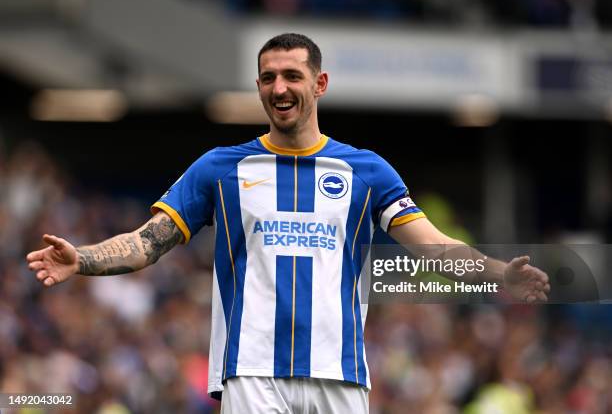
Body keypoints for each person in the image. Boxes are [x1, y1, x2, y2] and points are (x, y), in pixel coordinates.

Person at [26, 33, 550, 413]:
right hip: (251, 372)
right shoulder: (221, 167)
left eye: (292, 75)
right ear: (258, 87)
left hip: (338, 373)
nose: (280, 87)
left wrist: (497, 273)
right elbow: (148, 242)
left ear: (319, 83)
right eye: (269, 77)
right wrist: (85, 259)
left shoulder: (365, 170)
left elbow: (431, 247)